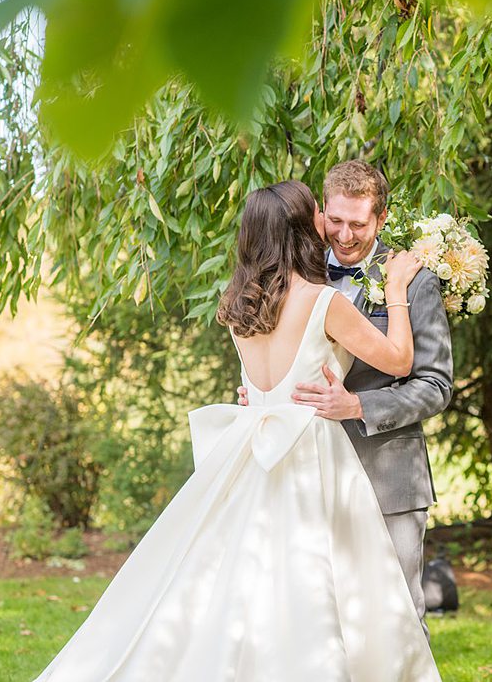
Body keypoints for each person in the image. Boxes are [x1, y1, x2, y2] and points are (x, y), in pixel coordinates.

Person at [31, 180, 442, 682]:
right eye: (320, 215)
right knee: (323, 592)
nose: (329, 226)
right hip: (312, 454)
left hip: (254, 455)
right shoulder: (323, 301)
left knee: (251, 593)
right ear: (302, 228)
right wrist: (395, 290)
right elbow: (400, 358)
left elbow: (267, 377)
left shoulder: (238, 303)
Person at [237, 161, 453, 634]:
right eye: (335, 221)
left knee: (394, 619)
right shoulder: (296, 276)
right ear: (320, 213)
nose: (345, 235)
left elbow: (435, 385)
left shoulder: (413, 281)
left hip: (386, 476)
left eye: (358, 224)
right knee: (320, 620)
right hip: (306, 480)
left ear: (381, 218)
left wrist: (358, 406)